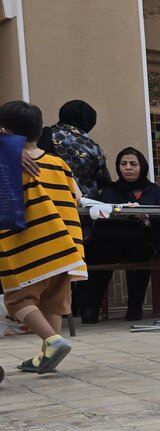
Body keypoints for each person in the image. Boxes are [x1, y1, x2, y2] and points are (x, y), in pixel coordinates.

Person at [0, 101, 84, 374]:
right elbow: (78, 197)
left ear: (3, 131)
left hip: (29, 246)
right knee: (53, 300)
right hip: (66, 244)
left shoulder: (7, 164)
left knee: (18, 299)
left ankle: (53, 341)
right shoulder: (58, 162)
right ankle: (46, 355)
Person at [79, 147, 160, 323]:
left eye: (133, 164)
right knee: (98, 251)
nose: (128, 168)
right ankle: (91, 307)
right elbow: (98, 217)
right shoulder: (110, 191)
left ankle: (135, 306)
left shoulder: (156, 191)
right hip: (113, 239)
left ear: (142, 166)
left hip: (143, 239)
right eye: (123, 164)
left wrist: (146, 217)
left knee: (140, 252)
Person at [37, 100, 110, 201]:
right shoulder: (93, 148)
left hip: (47, 202)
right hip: (83, 206)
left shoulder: (42, 136)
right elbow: (104, 182)